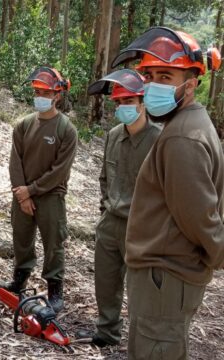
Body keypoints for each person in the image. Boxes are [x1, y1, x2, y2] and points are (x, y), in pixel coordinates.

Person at [111, 27, 223, 359]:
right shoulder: (190, 124)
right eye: (149, 75)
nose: (153, 84)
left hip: (165, 274)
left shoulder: (181, 138)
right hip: (167, 274)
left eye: (166, 75)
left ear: (191, 82)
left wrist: (217, 255)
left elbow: (199, 216)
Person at [76, 70, 161, 347]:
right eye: (119, 102)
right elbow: (104, 177)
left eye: (128, 101)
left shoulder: (159, 141)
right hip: (110, 222)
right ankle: (108, 332)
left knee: (142, 290)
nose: (123, 107)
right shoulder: (113, 135)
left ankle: (143, 342)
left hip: (142, 227)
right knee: (106, 282)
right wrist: (104, 208)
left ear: (142, 102)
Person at [0, 67, 78, 313]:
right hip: (22, 192)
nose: (40, 96)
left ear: (57, 95)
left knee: (54, 243)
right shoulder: (23, 125)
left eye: (45, 92)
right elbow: (15, 161)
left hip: (51, 195)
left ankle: (55, 289)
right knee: (21, 238)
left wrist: (31, 191)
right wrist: (21, 194)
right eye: (36, 91)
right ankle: (19, 279)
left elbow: (59, 171)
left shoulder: (66, 129)